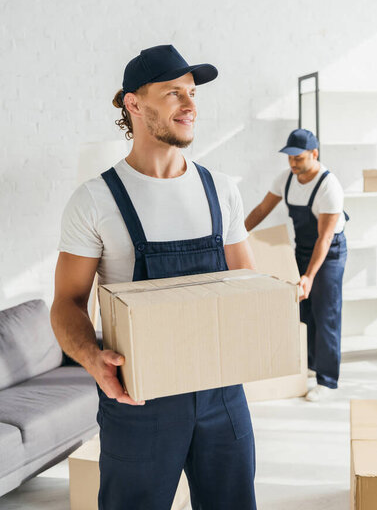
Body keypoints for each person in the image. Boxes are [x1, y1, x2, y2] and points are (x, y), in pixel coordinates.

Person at [51, 44, 257, 509]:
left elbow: (247, 287)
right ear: (134, 104)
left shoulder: (220, 190)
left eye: (191, 92)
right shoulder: (95, 201)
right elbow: (66, 301)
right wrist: (91, 359)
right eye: (172, 93)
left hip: (222, 396)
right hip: (138, 401)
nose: (190, 105)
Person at [245, 129, 348, 402]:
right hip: (301, 249)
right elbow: (260, 210)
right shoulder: (286, 179)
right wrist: (237, 236)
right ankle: (310, 365)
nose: (293, 163)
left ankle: (327, 380)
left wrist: (310, 276)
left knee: (325, 312)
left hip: (330, 253)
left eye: (299, 158)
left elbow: (325, 239)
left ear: (314, 154)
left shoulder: (329, 187)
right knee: (302, 310)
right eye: (289, 157)